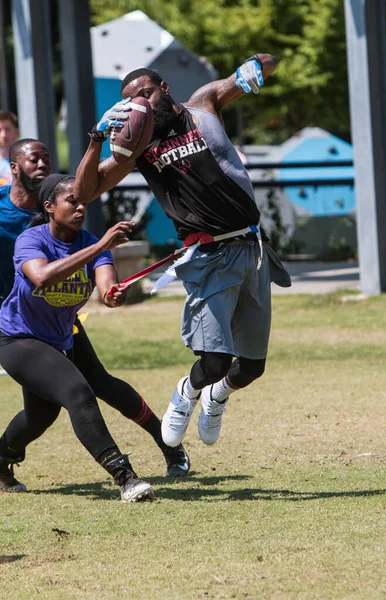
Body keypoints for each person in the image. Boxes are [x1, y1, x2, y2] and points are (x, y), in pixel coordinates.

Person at [74, 54, 291, 454]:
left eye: (146, 93)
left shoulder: (203, 105)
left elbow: (267, 62)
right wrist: (95, 137)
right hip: (207, 257)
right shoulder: (136, 145)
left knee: (253, 366)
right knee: (214, 362)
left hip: (252, 247)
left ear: (165, 88)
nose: (140, 102)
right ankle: (186, 393)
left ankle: (217, 397)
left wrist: (256, 66)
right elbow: (85, 192)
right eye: (130, 100)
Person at [0, 139, 189, 493]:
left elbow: (106, 285)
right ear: (50, 207)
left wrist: (113, 294)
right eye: (71, 201)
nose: (80, 207)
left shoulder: (88, 243)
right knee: (78, 391)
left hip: (60, 330)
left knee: (45, 413)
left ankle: (0, 459)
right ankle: (125, 477)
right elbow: (41, 277)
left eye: (82, 201)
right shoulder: (31, 239)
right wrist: (101, 245)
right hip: (17, 334)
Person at [0, 110, 19, 186]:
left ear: (16, 132)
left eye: (7, 130)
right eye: (0, 130)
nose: (3, 135)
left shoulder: (26, 161)